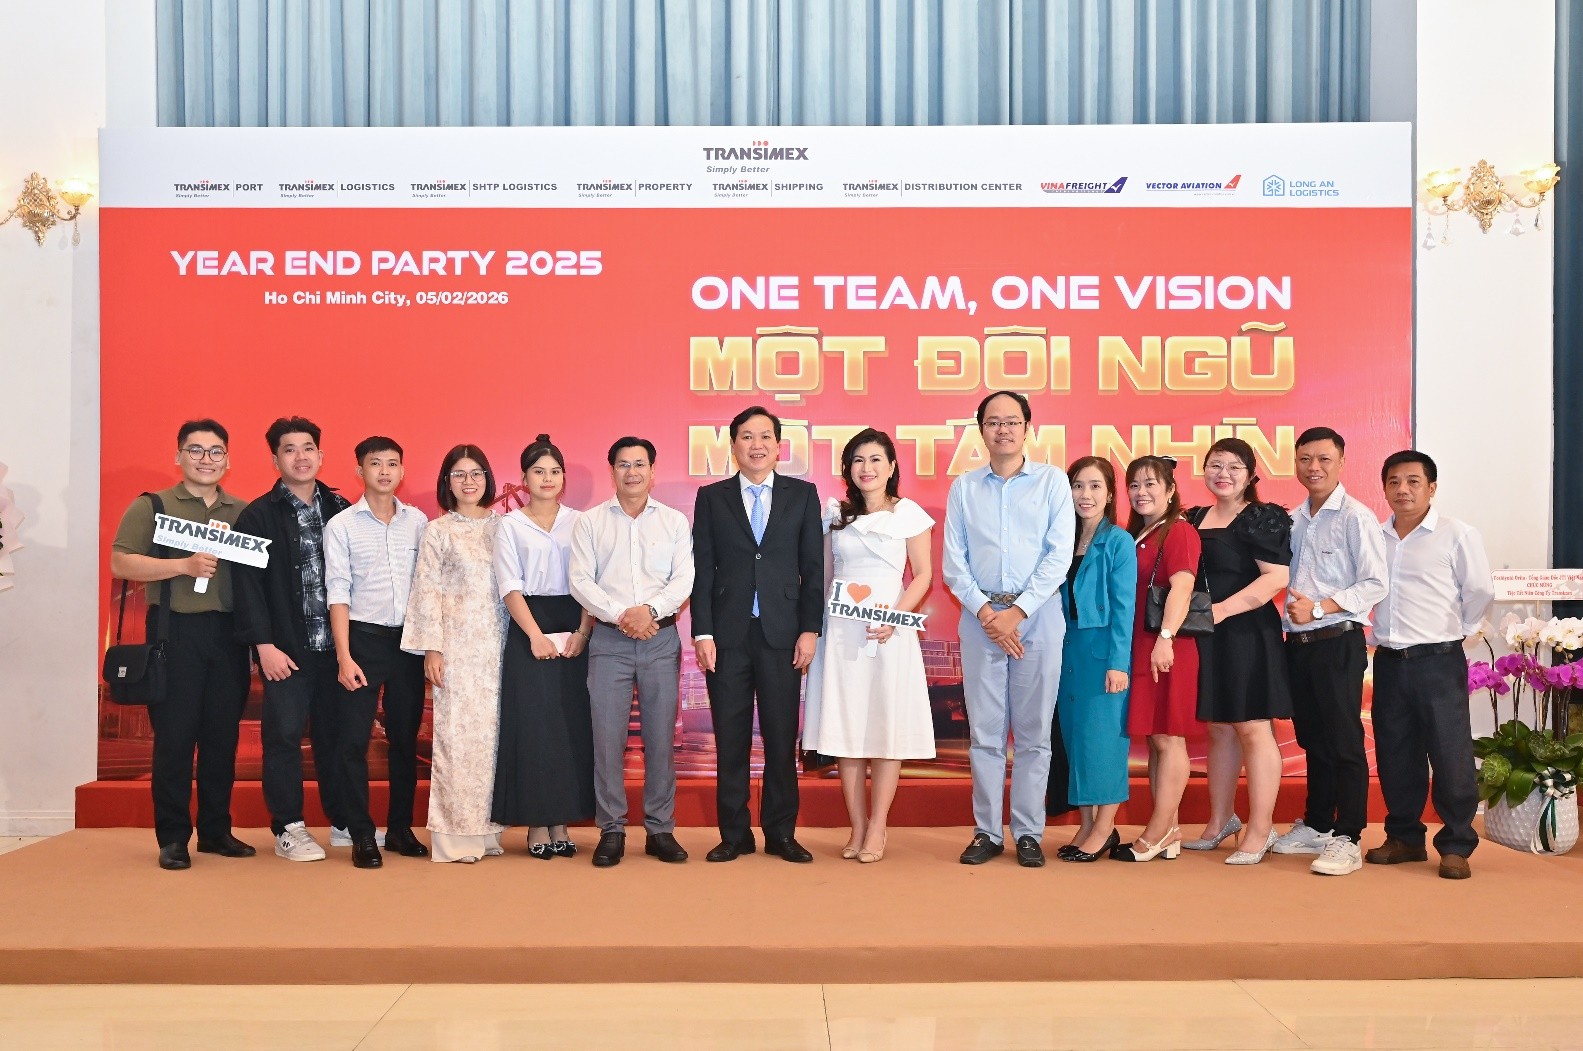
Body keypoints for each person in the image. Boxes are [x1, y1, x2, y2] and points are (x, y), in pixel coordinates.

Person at [109, 419, 254, 871]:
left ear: (227, 459)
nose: (206, 459)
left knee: (221, 739)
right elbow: (121, 562)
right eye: (196, 450)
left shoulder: (243, 511)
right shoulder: (152, 506)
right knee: (174, 740)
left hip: (229, 638)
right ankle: (173, 838)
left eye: (215, 451)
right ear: (178, 456)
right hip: (174, 633)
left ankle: (215, 831)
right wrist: (182, 566)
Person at [943, 391, 1075, 868]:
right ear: (981, 430)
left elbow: (1058, 556)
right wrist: (988, 615)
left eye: (1012, 421)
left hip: (1037, 617)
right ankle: (986, 831)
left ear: (1027, 428)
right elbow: (954, 563)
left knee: (1035, 733)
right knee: (985, 733)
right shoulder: (964, 487)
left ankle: (1028, 832)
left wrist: (1015, 614)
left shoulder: (1052, 482)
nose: (1003, 429)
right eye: (993, 422)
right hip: (980, 619)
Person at [691, 405, 824, 863]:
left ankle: (781, 833)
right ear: (734, 446)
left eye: (765, 436)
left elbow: (813, 568)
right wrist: (702, 633)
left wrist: (810, 629)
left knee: (781, 738)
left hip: (782, 635)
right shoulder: (712, 497)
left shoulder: (802, 495)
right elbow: (702, 569)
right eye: (747, 436)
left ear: (778, 445)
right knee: (730, 739)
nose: (757, 445)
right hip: (727, 635)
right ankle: (734, 834)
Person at [804, 429, 936, 864]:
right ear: (848, 468)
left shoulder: (909, 514)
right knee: (845, 727)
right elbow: (825, 578)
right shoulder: (835, 515)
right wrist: (816, 629)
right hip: (842, 631)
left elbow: (922, 575)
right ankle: (857, 825)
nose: (867, 468)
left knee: (885, 725)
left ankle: (878, 825)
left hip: (890, 630)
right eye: (858, 460)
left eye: (876, 459)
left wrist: (894, 619)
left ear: (892, 466)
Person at [569, 436, 695, 867]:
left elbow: (684, 580)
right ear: (612, 472)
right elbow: (581, 581)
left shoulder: (674, 522)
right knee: (607, 739)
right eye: (623, 464)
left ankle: (660, 829)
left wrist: (650, 612)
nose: (632, 472)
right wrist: (624, 615)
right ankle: (612, 829)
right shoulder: (590, 523)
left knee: (661, 739)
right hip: (609, 640)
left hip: (660, 638)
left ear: (652, 471)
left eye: (640, 464)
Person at [1366, 450, 1492, 880]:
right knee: (1396, 753)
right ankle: (1404, 837)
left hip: (1439, 660)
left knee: (1450, 754)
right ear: (1384, 488)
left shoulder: (1457, 534)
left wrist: (1459, 631)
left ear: (1431, 488)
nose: (1402, 490)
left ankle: (1456, 844)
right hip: (1389, 662)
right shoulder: (1374, 536)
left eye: (1413, 481)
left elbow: (1479, 590)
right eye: (1394, 482)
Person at [1272, 427, 1389, 876]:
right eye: (1305, 459)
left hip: (1337, 640)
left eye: (1323, 459)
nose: (1314, 467)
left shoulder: (1356, 517)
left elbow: (1375, 583)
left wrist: (1321, 607)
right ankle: (1318, 823)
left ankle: (1349, 835)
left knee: (1343, 741)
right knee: (1312, 739)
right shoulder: (1294, 519)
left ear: (1341, 462)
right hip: (1298, 646)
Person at [234, 417, 351, 863]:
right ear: (275, 459)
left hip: (336, 650)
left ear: (321, 456)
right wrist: (263, 645)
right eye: (289, 449)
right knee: (283, 738)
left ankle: (343, 821)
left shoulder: (341, 508)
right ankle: (288, 828)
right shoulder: (255, 515)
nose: (300, 457)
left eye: (308, 448)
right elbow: (246, 586)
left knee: (337, 737)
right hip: (286, 650)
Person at [1182, 437, 1293, 865]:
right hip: (1207, 635)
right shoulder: (1193, 517)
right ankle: (1220, 820)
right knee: (1219, 728)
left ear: (1250, 475)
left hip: (1247, 633)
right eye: (1215, 464)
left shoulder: (1262, 517)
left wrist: (1221, 611)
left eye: (1234, 466)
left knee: (1252, 727)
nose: (1223, 474)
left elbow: (1275, 578)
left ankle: (1261, 828)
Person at [323, 436, 431, 868]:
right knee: (353, 741)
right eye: (375, 463)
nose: (384, 471)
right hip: (362, 640)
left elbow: (429, 586)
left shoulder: (419, 522)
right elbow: (337, 592)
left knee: (404, 740)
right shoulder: (342, 525)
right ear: (359, 471)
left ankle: (401, 828)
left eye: (392, 464)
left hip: (408, 643)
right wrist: (343, 656)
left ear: (402, 471)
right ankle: (361, 833)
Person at [402, 445, 509, 864]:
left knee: (494, 742)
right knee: (457, 741)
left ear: (488, 478)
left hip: (501, 649)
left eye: (476, 473)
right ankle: (455, 836)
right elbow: (427, 590)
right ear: (447, 481)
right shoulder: (438, 530)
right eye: (459, 474)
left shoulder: (506, 527)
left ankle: (488, 832)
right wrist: (433, 647)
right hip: (457, 652)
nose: (469, 481)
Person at [491, 434, 595, 858]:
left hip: (575, 623)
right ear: (524, 477)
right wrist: (534, 635)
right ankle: (536, 822)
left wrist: (583, 632)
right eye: (538, 471)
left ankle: (561, 820)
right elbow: (509, 585)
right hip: (528, 624)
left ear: (564, 477)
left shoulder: (582, 522)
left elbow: (590, 582)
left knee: (570, 725)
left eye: (554, 471)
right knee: (533, 726)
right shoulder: (509, 525)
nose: (547, 479)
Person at [1113, 455, 1203, 863]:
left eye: (1151, 484)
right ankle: (1169, 828)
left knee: (1168, 737)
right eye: (1134, 485)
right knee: (1155, 738)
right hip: (1142, 646)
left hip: (1166, 648)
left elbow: (1182, 589)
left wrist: (1166, 638)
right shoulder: (1138, 534)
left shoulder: (1179, 531)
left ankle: (1158, 832)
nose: (1141, 492)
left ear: (1170, 490)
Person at [1051, 456, 1136, 863]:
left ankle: (1105, 828)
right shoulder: (1060, 540)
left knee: (1103, 742)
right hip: (1066, 651)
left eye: (1095, 486)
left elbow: (1124, 609)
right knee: (1076, 740)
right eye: (1078, 486)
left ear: (1110, 494)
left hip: (1103, 655)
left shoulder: (1118, 542)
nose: (1085, 495)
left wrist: (1118, 663)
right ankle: (1087, 824)